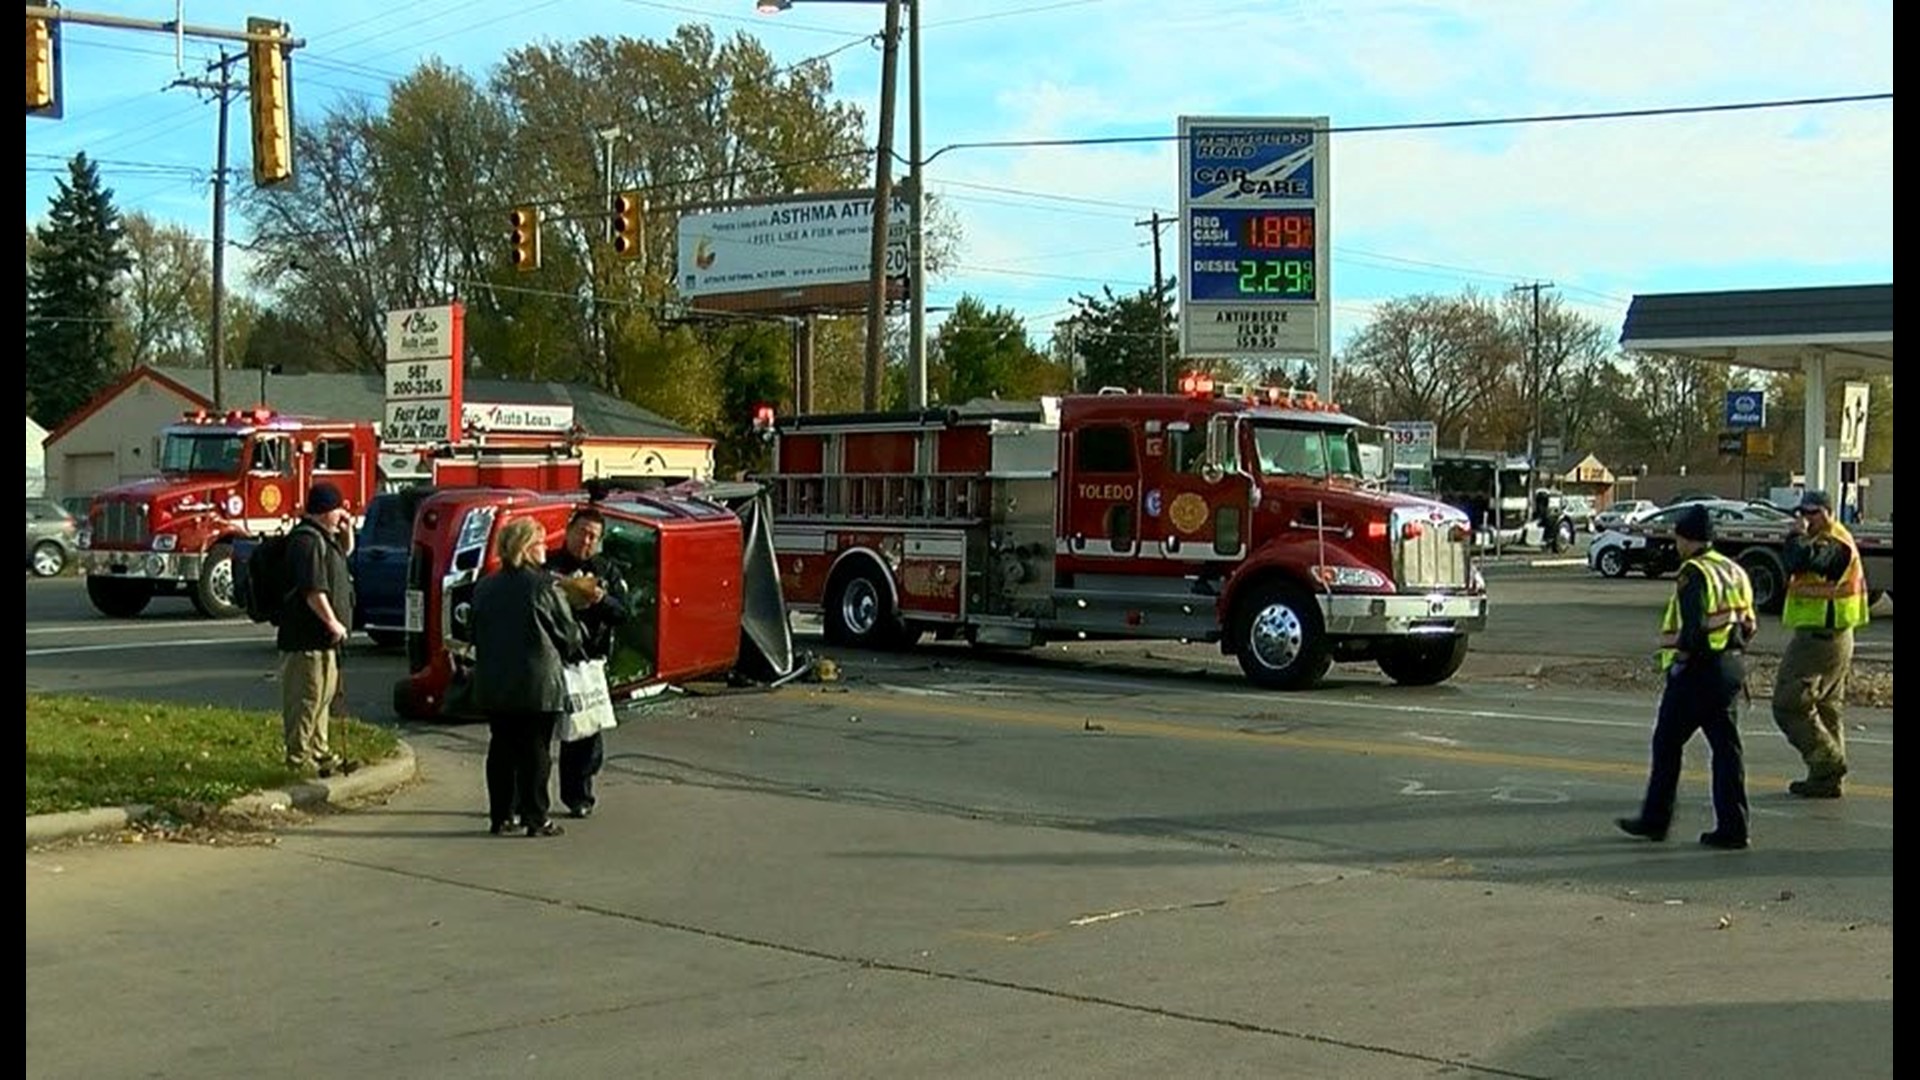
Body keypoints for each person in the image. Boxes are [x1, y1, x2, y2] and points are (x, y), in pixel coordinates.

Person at [1617, 503, 1757, 850]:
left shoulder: (1693, 572)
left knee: (1666, 744)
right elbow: (1749, 624)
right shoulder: (1733, 570)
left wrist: (1680, 660)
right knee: (1727, 751)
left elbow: (1693, 627)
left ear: (1687, 538)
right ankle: (1734, 827)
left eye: (1678, 537)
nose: (1676, 544)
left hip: (1698, 672)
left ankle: (1655, 820)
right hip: (1731, 666)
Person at [472, 517, 586, 838]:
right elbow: (568, 634)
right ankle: (536, 817)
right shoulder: (544, 586)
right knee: (536, 751)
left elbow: (473, 631)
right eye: (540, 542)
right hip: (537, 683)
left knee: (501, 748)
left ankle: (501, 815)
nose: (545, 548)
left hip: (494, 681)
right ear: (526, 548)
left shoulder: (485, 586)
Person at [1771, 489, 1869, 798]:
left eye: (1812, 512)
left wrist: (1794, 538)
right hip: (1824, 635)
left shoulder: (1836, 542)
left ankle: (1828, 763)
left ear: (1828, 512)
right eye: (1801, 513)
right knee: (1827, 707)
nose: (1805, 519)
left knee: (1788, 703)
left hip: (1823, 638)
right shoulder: (1819, 538)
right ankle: (1826, 781)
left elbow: (1800, 560)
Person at [547, 507, 631, 819]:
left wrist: (600, 599)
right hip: (553, 661)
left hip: (588, 664)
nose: (586, 540)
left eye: (593, 536)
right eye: (582, 532)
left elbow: (623, 613)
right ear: (569, 531)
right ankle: (529, 801)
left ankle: (578, 796)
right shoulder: (549, 565)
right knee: (540, 736)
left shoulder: (606, 570)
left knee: (584, 734)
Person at [278, 482, 359, 777]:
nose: (343, 515)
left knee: (323, 699)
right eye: (339, 509)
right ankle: (298, 760)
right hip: (306, 640)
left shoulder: (325, 539)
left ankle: (321, 753)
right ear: (325, 511)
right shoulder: (307, 542)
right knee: (306, 699)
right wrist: (332, 622)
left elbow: (342, 554)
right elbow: (313, 590)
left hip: (323, 642)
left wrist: (347, 532)